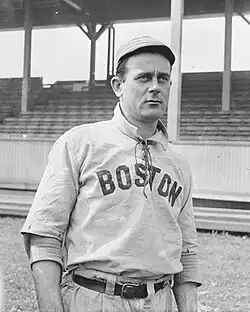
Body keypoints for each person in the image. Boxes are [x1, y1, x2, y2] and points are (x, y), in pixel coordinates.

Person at [21, 36, 202, 312]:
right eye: (143, 78)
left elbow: (186, 252)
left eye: (163, 79)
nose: (155, 87)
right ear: (118, 86)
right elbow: (44, 238)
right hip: (94, 297)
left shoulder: (178, 163)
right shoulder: (80, 143)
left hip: (159, 300)